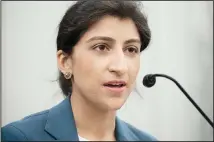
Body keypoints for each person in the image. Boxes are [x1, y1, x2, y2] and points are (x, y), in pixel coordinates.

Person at [1, 1, 157, 141]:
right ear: (65, 62)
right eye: (101, 47)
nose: (121, 67)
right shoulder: (18, 137)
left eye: (131, 49)